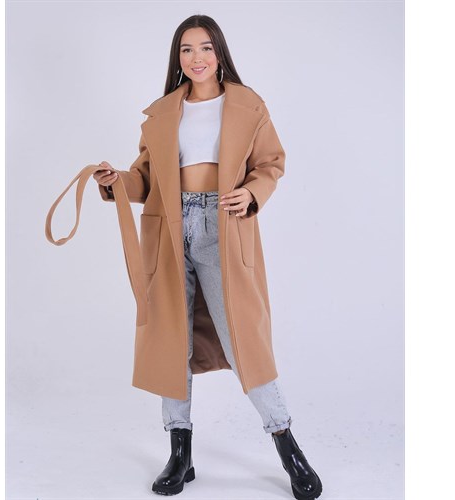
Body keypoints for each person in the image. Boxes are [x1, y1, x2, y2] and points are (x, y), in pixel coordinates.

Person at [93, 15, 322, 500]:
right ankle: (180, 453)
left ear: (219, 53)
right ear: (177, 59)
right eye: (186, 49)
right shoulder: (162, 113)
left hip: (223, 228)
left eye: (205, 47)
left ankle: (288, 446)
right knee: (170, 341)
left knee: (245, 341)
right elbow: (145, 180)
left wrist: (252, 193)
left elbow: (271, 163)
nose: (196, 58)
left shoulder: (247, 104)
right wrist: (116, 182)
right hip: (169, 231)